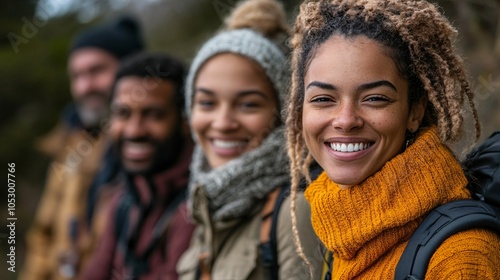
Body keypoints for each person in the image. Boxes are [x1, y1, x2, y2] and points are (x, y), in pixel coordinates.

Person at [287, 0, 500, 279]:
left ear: (415, 111)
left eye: (375, 99)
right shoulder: (341, 227)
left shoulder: (460, 257)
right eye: (323, 99)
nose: (345, 119)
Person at [176, 0, 324, 279]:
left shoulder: (296, 212)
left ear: (282, 111)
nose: (222, 123)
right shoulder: (207, 205)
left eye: (248, 105)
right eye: (207, 103)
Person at [21, 15, 144, 280]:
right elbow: (43, 235)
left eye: (97, 71)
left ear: (130, 70)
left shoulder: (145, 148)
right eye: (76, 76)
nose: (84, 86)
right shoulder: (69, 144)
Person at [79, 52, 195, 280]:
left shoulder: (195, 208)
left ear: (184, 122)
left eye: (153, 115)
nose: (134, 131)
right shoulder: (123, 198)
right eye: (123, 113)